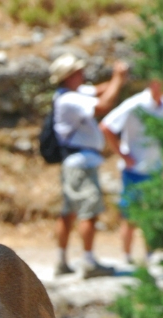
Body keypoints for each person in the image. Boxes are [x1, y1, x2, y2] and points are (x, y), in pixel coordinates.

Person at [49, 53, 129, 278]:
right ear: (69, 76)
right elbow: (103, 104)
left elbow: (98, 90)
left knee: (69, 212)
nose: (83, 75)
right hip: (82, 163)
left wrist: (114, 81)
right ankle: (89, 262)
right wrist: (118, 79)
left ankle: (62, 260)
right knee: (89, 210)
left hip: (74, 163)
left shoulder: (72, 94)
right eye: (78, 72)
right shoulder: (69, 100)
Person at [100, 79, 163, 267]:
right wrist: (123, 154)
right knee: (130, 216)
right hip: (134, 170)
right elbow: (106, 126)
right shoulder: (135, 104)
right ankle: (127, 256)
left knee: (153, 214)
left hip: (156, 168)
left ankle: (151, 255)